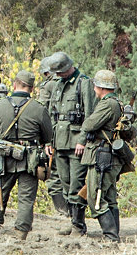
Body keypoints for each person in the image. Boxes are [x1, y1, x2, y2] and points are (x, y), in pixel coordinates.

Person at [0, 70, 54, 240]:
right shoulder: (38, 108)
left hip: (4, 158)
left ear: (14, 84)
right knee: (26, 198)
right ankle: (20, 235)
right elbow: (48, 136)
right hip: (29, 161)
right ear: (32, 88)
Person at [44, 51, 95, 236]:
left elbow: (90, 115)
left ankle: (78, 226)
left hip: (76, 144)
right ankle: (72, 221)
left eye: (60, 72)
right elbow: (51, 114)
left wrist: (83, 140)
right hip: (59, 141)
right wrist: (49, 141)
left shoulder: (84, 83)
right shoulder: (57, 85)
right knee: (64, 183)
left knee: (76, 184)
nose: (58, 75)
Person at [75, 68, 123, 242]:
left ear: (101, 87)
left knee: (95, 198)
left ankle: (111, 236)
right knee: (109, 197)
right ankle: (113, 235)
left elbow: (89, 124)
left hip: (101, 155)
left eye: (95, 86)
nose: (94, 89)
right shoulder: (116, 102)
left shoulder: (107, 104)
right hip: (109, 155)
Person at [37, 57, 70, 217]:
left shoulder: (48, 86)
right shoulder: (70, 83)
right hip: (70, 137)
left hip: (53, 136)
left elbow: (41, 112)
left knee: (53, 175)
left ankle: (62, 211)